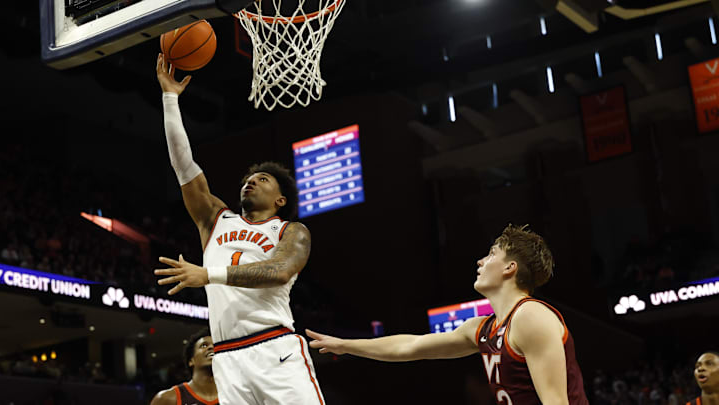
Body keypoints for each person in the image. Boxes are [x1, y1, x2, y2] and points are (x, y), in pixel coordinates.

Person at [153, 53, 325, 405]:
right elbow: (183, 165)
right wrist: (170, 98)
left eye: (262, 180)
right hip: (228, 358)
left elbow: (279, 271)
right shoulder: (216, 218)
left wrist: (209, 274)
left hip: (275, 348)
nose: (251, 182)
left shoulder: (291, 230)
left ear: (280, 199)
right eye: (247, 179)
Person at [307, 224, 589, 405]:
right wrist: (344, 345)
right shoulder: (483, 329)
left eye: (491, 255)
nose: (480, 261)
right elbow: (410, 346)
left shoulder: (530, 317)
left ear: (509, 268)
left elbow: (556, 402)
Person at [150, 328, 219, 405]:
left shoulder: (232, 393)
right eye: (204, 345)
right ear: (191, 360)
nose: (211, 347)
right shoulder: (167, 398)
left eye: (215, 345)